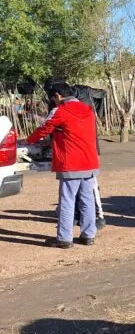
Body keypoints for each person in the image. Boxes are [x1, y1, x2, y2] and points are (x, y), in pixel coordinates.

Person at [25, 82, 99, 249]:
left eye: (53, 99)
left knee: (67, 200)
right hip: (90, 161)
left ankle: (65, 239)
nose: (54, 101)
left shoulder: (60, 110)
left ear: (58, 96)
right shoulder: (88, 109)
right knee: (87, 199)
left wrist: (27, 141)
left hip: (71, 162)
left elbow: (44, 129)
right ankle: (88, 235)